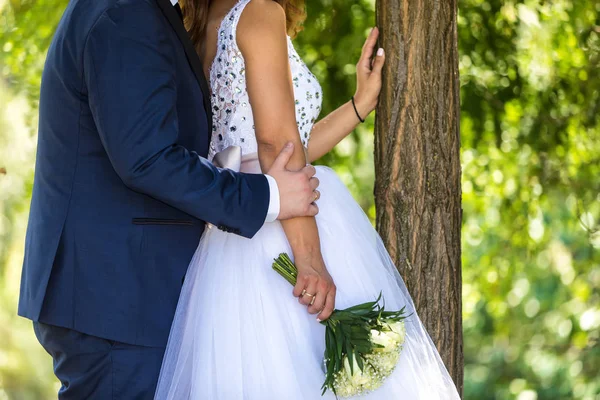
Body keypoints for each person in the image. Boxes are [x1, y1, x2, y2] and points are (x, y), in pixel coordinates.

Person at [155, 0, 462, 398]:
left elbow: (269, 147)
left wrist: (358, 106)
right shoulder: (259, 12)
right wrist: (311, 260)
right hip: (286, 225)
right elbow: (277, 145)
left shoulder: (194, 27)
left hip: (232, 232)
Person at [17, 0, 321, 398]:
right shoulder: (126, 13)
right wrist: (267, 197)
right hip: (117, 297)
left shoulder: (146, 13)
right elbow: (147, 158)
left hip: (122, 292)